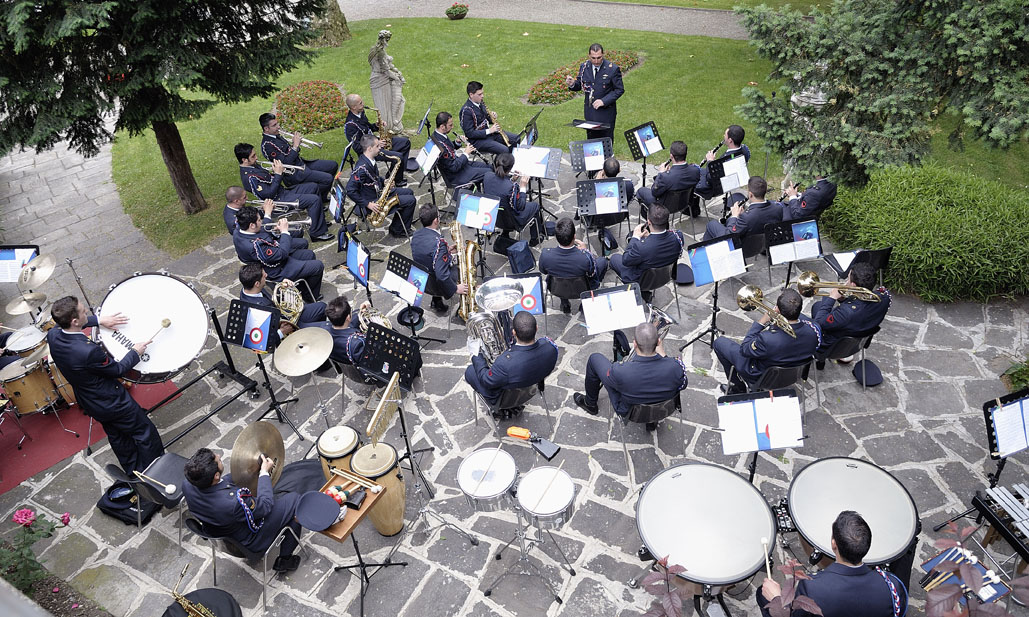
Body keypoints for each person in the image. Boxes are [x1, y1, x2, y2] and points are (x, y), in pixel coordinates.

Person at [46, 296, 163, 473]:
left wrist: (99, 320)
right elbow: (118, 370)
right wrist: (135, 352)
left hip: (90, 401)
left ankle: (133, 472)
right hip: (113, 402)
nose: (86, 311)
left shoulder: (53, 334)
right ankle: (155, 472)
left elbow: (67, 325)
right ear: (75, 321)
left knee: (118, 436)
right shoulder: (88, 351)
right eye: (83, 311)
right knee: (145, 433)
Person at [757, 510, 908, 617]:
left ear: (833, 543)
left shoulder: (812, 588)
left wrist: (776, 600)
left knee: (763, 594)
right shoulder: (892, 584)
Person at [183, 448, 303, 573]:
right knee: (295, 501)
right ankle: (285, 560)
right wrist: (264, 473)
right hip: (249, 542)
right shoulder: (234, 503)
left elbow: (224, 484)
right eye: (218, 459)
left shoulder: (188, 484)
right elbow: (265, 506)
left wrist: (249, 469)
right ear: (216, 476)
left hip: (220, 532)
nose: (219, 455)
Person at [573, 322, 687, 431]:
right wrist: (664, 356)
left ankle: (590, 404)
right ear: (658, 342)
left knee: (595, 359)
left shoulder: (620, 371)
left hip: (631, 413)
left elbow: (611, 381)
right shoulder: (676, 367)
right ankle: (652, 421)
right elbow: (683, 384)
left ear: (635, 343)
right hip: (663, 410)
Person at [713, 288, 821, 393]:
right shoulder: (815, 330)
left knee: (719, 343)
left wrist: (761, 322)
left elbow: (745, 349)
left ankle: (739, 388)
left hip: (763, 377)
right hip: (793, 374)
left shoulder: (767, 339)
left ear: (777, 309)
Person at [465, 312, 558, 419]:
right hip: (533, 388)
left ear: (513, 332)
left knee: (470, 371)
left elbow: (486, 380)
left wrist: (476, 354)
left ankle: (502, 409)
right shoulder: (550, 346)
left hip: (505, 400)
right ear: (536, 328)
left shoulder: (504, 364)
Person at [235, 143, 332, 242]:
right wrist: (278, 174)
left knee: (313, 187)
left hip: (283, 192)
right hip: (279, 200)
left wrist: (275, 171)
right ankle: (316, 233)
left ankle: (318, 222)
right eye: (253, 156)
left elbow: (269, 179)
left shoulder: (253, 166)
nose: (256, 158)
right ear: (244, 160)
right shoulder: (249, 177)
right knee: (314, 200)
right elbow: (268, 195)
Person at [233, 206, 324, 302]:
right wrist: (284, 231)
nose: (261, 222)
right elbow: (282, 254)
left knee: (309, 255)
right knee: (318, 266)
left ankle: (304, 288)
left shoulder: (239, 230)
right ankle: (309, 298)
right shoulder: (255, 246)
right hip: (276, 270)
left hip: (272, 259)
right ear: (252, 225)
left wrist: (275, 231)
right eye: (259, 220)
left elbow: (262, 233)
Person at [810, 262, 891, 359]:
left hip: (831, 348)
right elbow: (861, 305)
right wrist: (843, 299)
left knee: (817, 307)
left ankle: (819, 361)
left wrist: (832, 297)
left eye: (848, 279)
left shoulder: (846, 313)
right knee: (820, 306)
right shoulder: (884, 297)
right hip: (858, 332)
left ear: (853, 285)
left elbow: (818, 322)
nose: (846, 282)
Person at [345, 134, 416, 238]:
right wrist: (368, 204)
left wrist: (384, 181)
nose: (380, 148)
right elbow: (350, 190)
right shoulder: (361, 168)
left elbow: (374, 178)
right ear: (369, 148)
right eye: (377, 146)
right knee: (411, 201)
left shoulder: (370, 160)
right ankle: (397, 231)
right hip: (375, 204)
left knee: (409, 192)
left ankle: (399, 224)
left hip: (378, 193)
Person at [609, 203, 685, 293]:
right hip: (665, 277)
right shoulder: (678, 236)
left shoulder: (641, 247)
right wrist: (650, 238)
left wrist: (635, 237)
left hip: (641, 282)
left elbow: (626, 260)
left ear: (648, 222)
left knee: (614, 258)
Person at [539, 217, 609, 313]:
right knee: (603, 262)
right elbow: (592, 272)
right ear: (574, 237)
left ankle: (565, 303)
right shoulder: (585, 257)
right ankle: (585, 303)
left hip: (556, 288)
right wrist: (585, 251)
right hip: (582, 288)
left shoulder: (545, 255)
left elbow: (543, 271)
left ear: (556, 237)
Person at [258, 112, 336, 197]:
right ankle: (316, 196)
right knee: (328, 179)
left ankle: (321, 196)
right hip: (295, 174)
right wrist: (295, 146)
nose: (278, 127)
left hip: (302, 164)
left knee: (333, 165)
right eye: (274, 125)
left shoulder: (275, 135)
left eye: (277, 123)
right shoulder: (267, 145)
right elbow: (285, 163)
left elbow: (288, 151)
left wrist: (295, 145)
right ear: (266, 128)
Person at [343, 93, 412, 187]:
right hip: (370, 151)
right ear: (354, 107)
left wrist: (377, 125)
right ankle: (397, 180)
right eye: (360, 103)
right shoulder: (350, 125)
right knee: (398, 157)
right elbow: (357, 147)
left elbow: (368, 128)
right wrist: (376, 144)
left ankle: (393, 174)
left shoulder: (361, 113)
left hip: (376, 142)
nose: (363, 104)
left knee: (405, 142)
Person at [411, 204, 469, 313]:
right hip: (435, 284)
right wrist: (456, 289)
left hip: (423, 280)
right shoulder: (439, 243)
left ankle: (436, 302)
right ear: (436, 221)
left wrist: (447, 252)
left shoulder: (416, 235)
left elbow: (427, 255)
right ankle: (465, 307)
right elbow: (441, 275)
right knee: (462, 268)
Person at [238, 263, 326, 334]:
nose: (266, 275)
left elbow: (274, 301)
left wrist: (284, 288)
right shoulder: (258, 309)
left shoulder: (247, 290)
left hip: (288, 316)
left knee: (322, 307)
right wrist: (281, 332)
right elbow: (265, 337)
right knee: (326, 327)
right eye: (264, 276)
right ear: (257, 284)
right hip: (289, 328)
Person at [565, 43, 624, 140]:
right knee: (591, 142)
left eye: (599, 58)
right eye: (593, 58)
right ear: (589, 56)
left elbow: (619, 89)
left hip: (606, 113)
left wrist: (604, 101)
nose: (596, 61)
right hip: (590, 112)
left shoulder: (612, 69)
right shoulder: (584, 67)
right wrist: (572, 84)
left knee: (605, 143)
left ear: (603, 55)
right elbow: (580, 84)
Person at [483, 152, 541, 244]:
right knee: (535, 206)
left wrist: (512, 179)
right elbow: (521, 206)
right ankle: (535, 239)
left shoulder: (487, 176)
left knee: (504, 204)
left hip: (493, 218)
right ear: (510, 168)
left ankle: (505, 233)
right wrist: (522, 187)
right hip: (512, 222)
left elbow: (499, 189)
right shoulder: (511, 187)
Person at [702, 176, 783, 241]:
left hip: (744, 248)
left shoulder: (746, 218)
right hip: (760, 245)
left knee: (711, 224)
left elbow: (729, 235)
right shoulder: (778, 207)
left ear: (750, 195)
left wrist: (734, 216)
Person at [636, 141, 700, 218]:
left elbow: (655, 192)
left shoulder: (665, 177)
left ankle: (651, 221)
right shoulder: (695, 171)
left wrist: (661, 173)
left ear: (671, 156)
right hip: (684, 203)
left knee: (641, 191)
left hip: (663, 207)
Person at [224, 187, 309, 246]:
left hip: (264, 230)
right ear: (236, 201)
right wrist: (267, 213)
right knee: (302, 242)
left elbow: (253, 217)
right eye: (244, 197)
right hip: (262, 240)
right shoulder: (233, 220)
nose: (247, 198)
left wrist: (265, 208)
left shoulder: (238, 207)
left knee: (298, 231)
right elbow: (253, 231)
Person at [430, 112, 491, 187]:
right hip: (456, 176)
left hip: (461, 166)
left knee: (489, 167)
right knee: (489, 173)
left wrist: (457, 142)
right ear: (442, 126)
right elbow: (453, 167)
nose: (452, 127)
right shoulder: (440, 145)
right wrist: (466, 153)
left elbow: (449, 149)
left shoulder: (439, 135)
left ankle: (478, 188)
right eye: (450, 125)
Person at [695, 125, 751, 201]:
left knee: (690, 179)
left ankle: (692, 210)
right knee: (694, 169)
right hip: (729, 180)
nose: (723, 136)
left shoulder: (726, 161)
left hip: (716, 187)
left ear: (730, 140)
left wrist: (710, 161)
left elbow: (710, 178)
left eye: (725, 135)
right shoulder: (745, 150)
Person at [460, 81, 516, 156]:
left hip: (489, 135)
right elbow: (470, 134)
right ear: (471, 95)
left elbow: (485, 118)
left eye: (482, 93)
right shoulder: (466, 111)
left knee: (516, 139)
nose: (482, 96)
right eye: (479, 94)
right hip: (477, 142)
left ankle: (514, 161)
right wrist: (489, 130)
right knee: (505, 150)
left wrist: (491, 117)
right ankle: (500, 165)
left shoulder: (480, 102)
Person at [368, 30, 406, 134]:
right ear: (384, 39)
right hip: (380, 80)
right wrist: (397, 78)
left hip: (380, 77)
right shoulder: (380, 52)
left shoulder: (375, 49)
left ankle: (393, 125)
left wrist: (397, 73)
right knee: (384, 106)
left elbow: (388, 66)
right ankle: (388, 129)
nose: (388, 41)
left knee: (392, 102)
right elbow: (386, 70)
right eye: (387, 39)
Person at [321, 295, 366, 367]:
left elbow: (350, 323)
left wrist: (360, 312)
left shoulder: (324, 332)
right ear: (348, 317)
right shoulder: (357, 343)